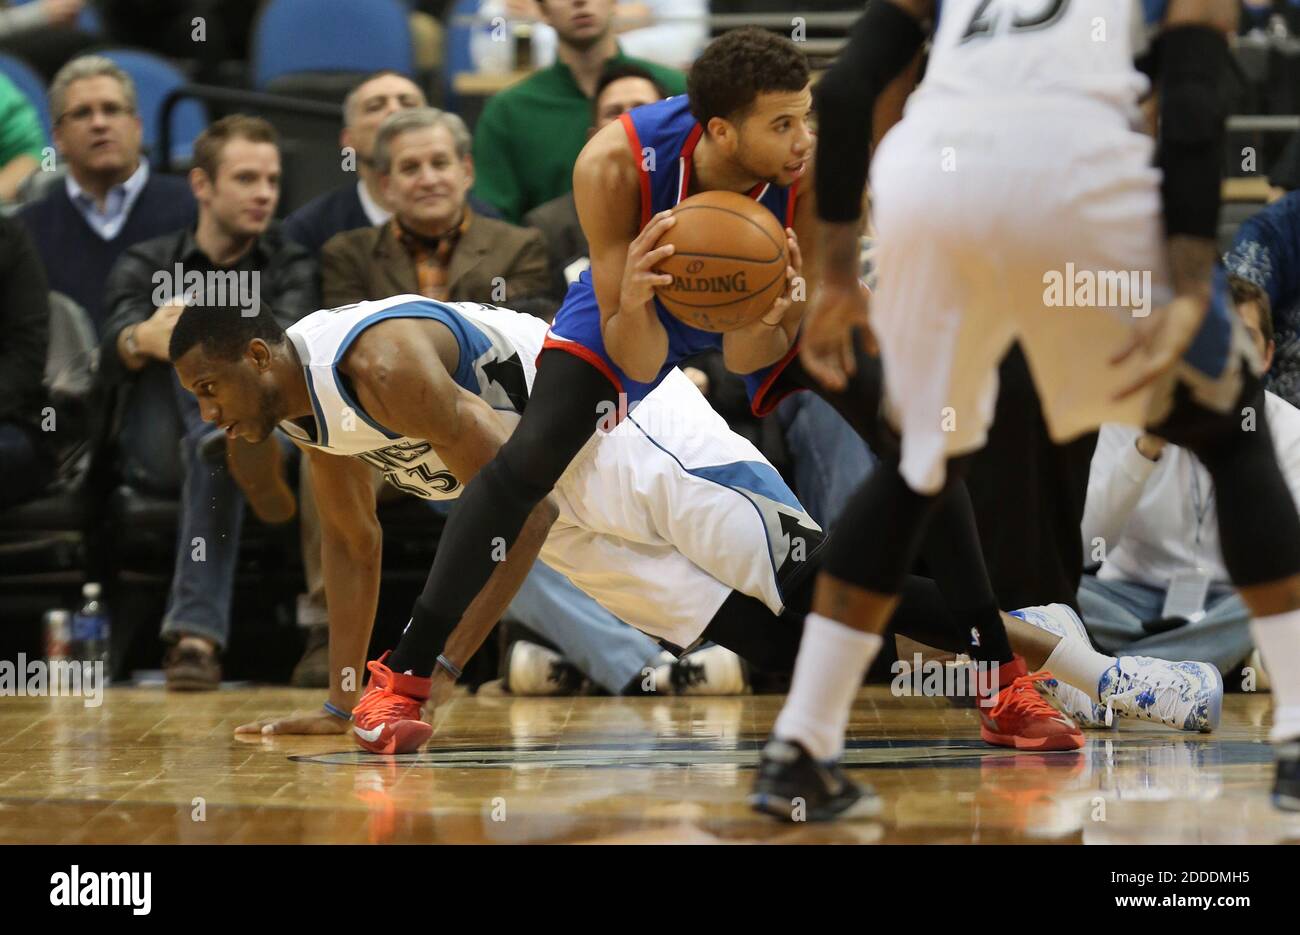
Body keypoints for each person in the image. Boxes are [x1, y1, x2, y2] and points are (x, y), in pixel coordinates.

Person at [342, 26, 1071, 754]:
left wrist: (774, 310)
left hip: (765, 300)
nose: (802, 138)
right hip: (635, 304)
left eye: (806, 116)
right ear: (720, 129)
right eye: (782, 123)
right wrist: (635, 297)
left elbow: (763, 353)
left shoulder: (812, 174)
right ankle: (400, 677)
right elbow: (637, 354)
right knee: (523, 467)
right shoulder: (615, 164)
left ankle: (999, 677)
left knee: (920, 446)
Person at [169, 295, 1213, 747]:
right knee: (802, 627)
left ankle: (1100, 672)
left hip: (623, 432)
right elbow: (349, 548)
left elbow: (510, 507)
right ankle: (1035, 651)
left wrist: (429, 675)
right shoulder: (309, 415)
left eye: (209, 389)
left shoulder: (379, 367)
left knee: (818, 587)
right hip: (555, 498)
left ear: (257, 357)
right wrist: (344, 691)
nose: (204, 411)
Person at [756, 0, 1300, 819]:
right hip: (1072, 172)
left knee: (918, 464)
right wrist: (1190, 278)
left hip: (931, 186)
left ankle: (800, 747)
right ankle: (1294, 740)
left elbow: (848, 89)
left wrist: (834, 274)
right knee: (1233, 426)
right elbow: (1192, 91)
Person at [99, 115, 318, 690]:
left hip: (273, 438)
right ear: (202, 186)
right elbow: (110, 347)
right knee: (189, 352)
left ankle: (195, 641)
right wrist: (137, 338)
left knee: (208, 361)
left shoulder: (289, 264)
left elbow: (291, 353)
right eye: (246, 178)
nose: (264, 193)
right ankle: (219, 439)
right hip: (160, 443)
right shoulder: (148, 262)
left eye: (271, 180)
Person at [1077, 276, 1300, 675]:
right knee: (1057, 598)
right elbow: (1085, 544)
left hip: (1234, 602)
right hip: (1127, 601)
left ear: (1266, 356)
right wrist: (1145, 450)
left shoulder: (1289, 430)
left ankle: (1104, 671)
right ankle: (1213, 663)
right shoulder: (1127, 417)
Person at [320, 108, 553, 318]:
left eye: (440, 163)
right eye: (410, 168)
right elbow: (349, 343)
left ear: (467, 171)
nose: (429, 180)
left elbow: (516, 339)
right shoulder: (349, 256)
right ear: (387, 186)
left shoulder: (519, 248)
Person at [19, 55, 196, 332]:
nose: (99, 123)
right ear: (58, 139)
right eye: (81, 113)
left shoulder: (195, 210)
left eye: (112, 110)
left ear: (137, 127)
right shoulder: (27, 231)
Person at [470, 0, 686, 222]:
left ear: (614, 3)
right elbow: (493, 222)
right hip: (545, 251)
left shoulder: (678, 95)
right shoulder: (508, 112)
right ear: (542, 11)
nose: (580, 2)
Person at [523, 60, 668, 299]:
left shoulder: (699, 205)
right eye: (614, 113)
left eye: (641, 109)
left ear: (670, 126)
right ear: (593, 137)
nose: (628, 122)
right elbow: (537, 320)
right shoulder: (548, 227)